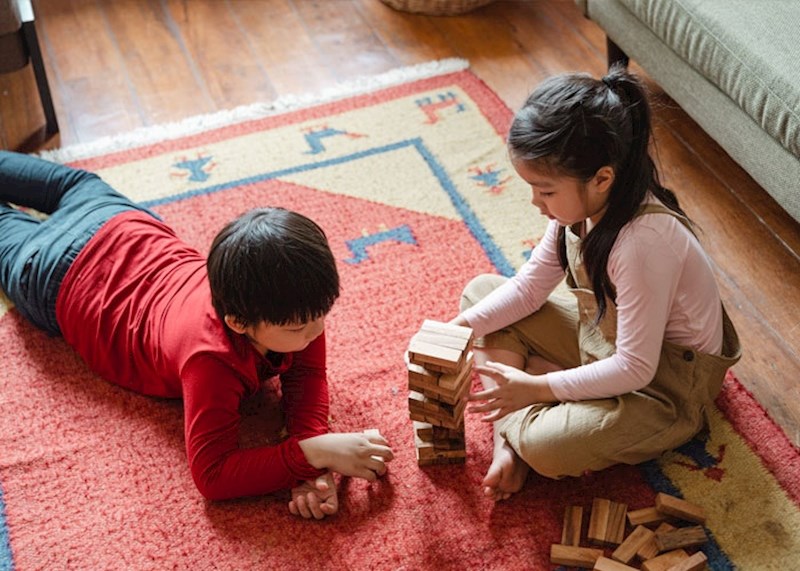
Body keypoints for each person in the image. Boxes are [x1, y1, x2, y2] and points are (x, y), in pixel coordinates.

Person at [0, 150, 393, 519]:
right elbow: (213, 476)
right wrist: (312, 451)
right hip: (52, 272)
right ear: (238, 322)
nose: (316, 332)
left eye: (322, 315)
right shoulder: (211, 360)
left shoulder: (290, 307)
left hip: (111, 216)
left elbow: (306, 375)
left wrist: (313, 466)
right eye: (299, 327)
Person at [451, 65, 741, 501]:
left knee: (546, 451)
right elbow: (530, 289)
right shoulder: (580, 209)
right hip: (607, 342)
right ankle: (523, 419)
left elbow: (636, 368)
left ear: (602, 178)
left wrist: (536, 386)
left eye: (545, 191)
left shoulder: (643, 243)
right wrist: (455, 332)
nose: (535, 203)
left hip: (665, 387)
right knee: (482, 294)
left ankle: (519, 430)